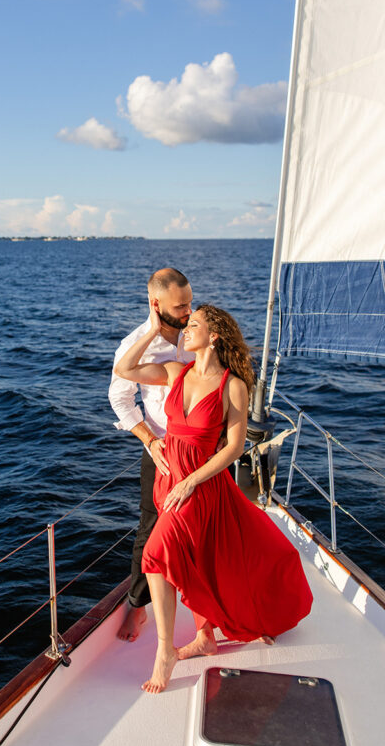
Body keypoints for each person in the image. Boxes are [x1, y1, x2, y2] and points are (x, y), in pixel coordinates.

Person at [114, 303, 313, 694]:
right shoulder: (176, 372)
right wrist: (153, 331)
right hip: (168, 478)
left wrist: (191, 482)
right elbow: (124, 370)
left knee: (156, 554)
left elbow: (235, 446)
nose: (185, 330)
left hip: (199, 484)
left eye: (194, 325)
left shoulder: (232, 386)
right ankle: (205, 636)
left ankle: (165, 652)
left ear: (214, 335)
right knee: (196, 556)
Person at [109, 267, 194, 642]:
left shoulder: (197, 333)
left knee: (203, 527)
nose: (188, 312)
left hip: (202, 447)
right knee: (150, 529)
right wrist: (148, 438)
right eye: (180, 306)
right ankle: (137, 605)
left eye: (190, 302)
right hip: (161, 448)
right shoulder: (135, 344)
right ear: (155, 303)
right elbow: (119, 396)